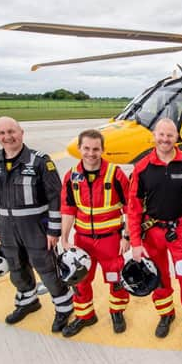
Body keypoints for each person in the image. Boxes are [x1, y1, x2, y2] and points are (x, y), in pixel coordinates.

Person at [0, 116, 73, 332]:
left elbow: (55, 198)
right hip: (6, 227)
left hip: (35, 227)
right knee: (16, 268)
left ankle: (64, 307)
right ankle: (27, 302)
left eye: (11, 132)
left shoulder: (40, 161)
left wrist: (53, 230)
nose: (7, 137)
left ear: (21, 132)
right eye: (2, 133)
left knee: (47, 269)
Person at [127, 118, 182, 356]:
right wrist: (135, 242)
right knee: (159, 280)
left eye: (170, 135)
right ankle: (166, 315)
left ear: (177, 137)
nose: (165, 139)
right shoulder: (142, 168)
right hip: (151, 234)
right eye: (161, 135)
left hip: (180, 234)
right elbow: (133, 207)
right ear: (154, 135)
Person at [59, 129, 131, 337]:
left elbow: (130, 208)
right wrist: (64, 238)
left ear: (103, 150)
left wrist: (126, 236)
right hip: (82, 241)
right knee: (80, 280)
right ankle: (85, 316)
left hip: (110, 241)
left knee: (115, 279)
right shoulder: (71, 176)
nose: (91, 153)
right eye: (87, 148)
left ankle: (117, 312)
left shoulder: (115, 174)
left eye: (96, 149)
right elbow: (68, 209)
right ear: (80, 149)